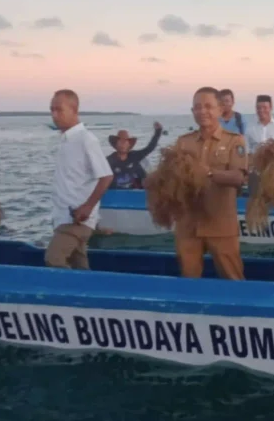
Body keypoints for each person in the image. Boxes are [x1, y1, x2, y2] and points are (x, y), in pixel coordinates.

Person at [172, 86, 248, 280]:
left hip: (221, 224)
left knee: (233, 278)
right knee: (189, 278)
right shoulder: (183, 142)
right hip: (188, 225)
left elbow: (239, 177)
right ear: (192, 111)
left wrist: (209, 173)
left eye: (208, 106)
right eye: (197, 107)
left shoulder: (235, 141)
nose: (202, 111)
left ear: (220, 109)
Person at [45, 89, 114, 269]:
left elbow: (106, 176)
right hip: (63, 217)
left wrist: (88, 207)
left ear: (74, 110)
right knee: (79, 266)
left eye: (59, 110)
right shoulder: (65, 140)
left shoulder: (86, 139)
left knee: (54, 259)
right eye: (52, 110)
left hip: (76, 219)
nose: (54, 115)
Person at [106, 122, 163, 189]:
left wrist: (158, 132)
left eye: (125, 142)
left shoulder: (134, 156)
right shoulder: (109, 160)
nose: (123, 145)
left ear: (129, 145)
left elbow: (150, 148)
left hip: (134, 192)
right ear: (116, 145)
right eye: (120, 142)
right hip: (115, 193)